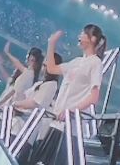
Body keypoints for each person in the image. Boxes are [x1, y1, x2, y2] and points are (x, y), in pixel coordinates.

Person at [23, 24, 106, 165]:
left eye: (83, 33)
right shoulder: (76, 62)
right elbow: (51, 68)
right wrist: (51, 44)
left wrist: (71, 111)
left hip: (71, 128)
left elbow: (94, 96)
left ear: (92, 39)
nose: (79, 36)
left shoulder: (95, 63)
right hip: (57, 123)